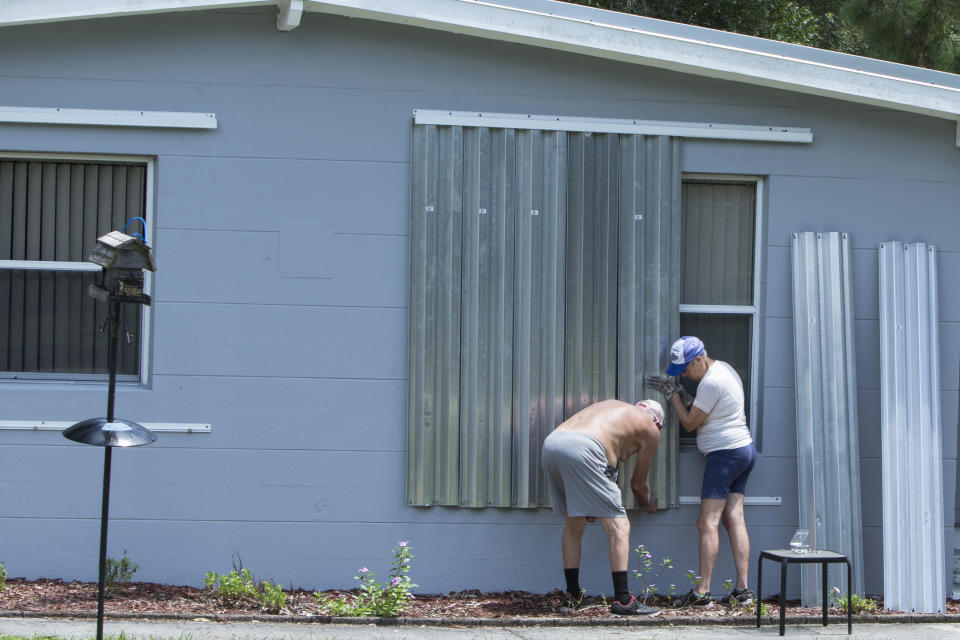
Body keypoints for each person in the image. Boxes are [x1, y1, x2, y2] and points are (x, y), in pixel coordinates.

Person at [648, 336, 757, 607]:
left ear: (699, 359)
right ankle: (743, 591)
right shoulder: (724, 369)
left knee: (706, 523)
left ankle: (702, 593)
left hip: (725, 456)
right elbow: (711, 410)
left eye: (685, 370)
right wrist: (686, 395)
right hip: (743, 450)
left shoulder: (710, 382)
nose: (685, 375)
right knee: (734, 518)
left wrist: (672, 394)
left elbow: (689, 423)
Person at [540, 398, 663, 615]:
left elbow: (608, 462)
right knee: (619, 528)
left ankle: (573, 597)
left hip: (552, 444)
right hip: (585, 448)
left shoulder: (614, 409)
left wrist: (591, 501)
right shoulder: (651, 429)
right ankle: (624, 601)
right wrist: (647, 502)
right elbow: (637, 485)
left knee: (573, 524)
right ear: (657, 422)